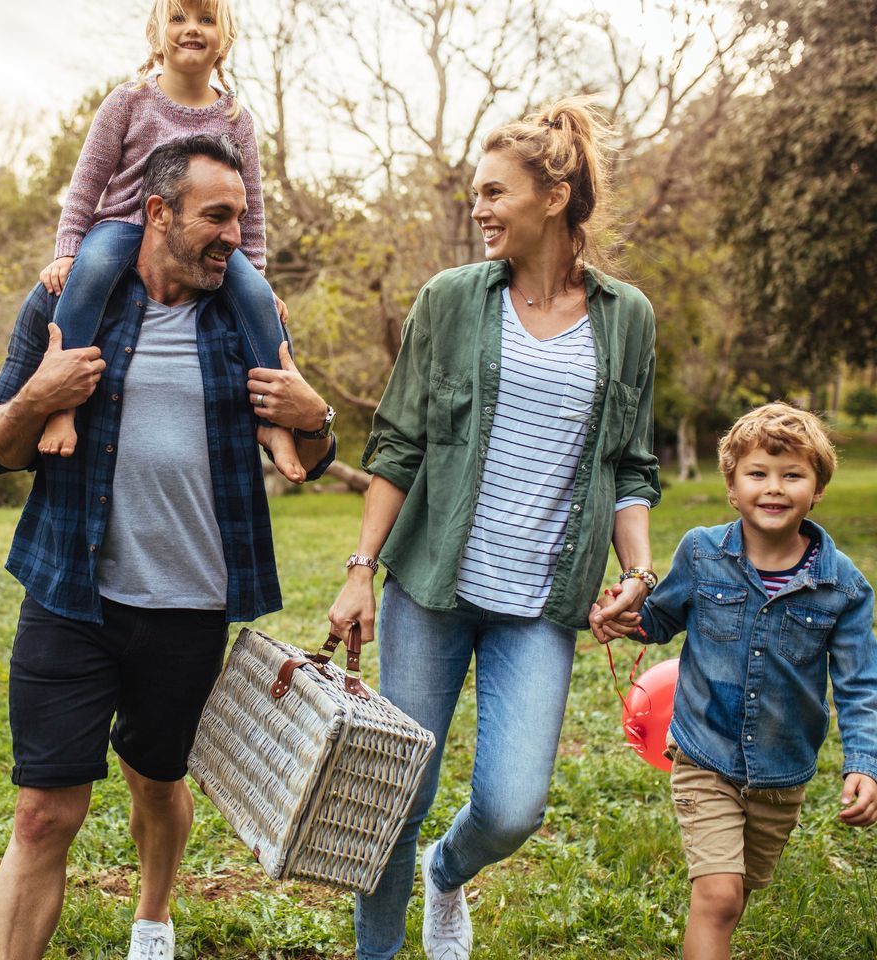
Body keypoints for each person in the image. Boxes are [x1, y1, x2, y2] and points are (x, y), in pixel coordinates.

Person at [0, 134, 336, 960]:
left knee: (157, 779)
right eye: (216, 217)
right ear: (158, 212)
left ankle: (153, 915)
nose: (233, 237)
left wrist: (315, 420)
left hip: (188, 607)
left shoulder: (246, 319)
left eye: (241, 219)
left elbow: (308, 460)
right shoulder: (72, 305)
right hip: (71, 595)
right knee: (42, 813)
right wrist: (42, 395)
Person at [327, 97, 662, 960]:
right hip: (433, 588)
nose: (478, 208)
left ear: (554, 196)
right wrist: (362, 569)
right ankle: (379, 953)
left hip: (541, 605)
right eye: (475, 193)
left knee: (514, 806)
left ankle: (448, 872)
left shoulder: (627, 320)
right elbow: (398, 442)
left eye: (494, 192)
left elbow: (630, 463)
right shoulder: (449, 300)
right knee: (394, 792)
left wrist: (638, 569)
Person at [590, 403, 877, 960]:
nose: (774, 488)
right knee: (720, 895)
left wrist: (866, 764)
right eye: (757, 474)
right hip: (705, 752)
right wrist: (625, 616)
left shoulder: (842, 586)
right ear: (732, 487)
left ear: (817, 488)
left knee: (740, 889)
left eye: (792, 475)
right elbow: (661, 618)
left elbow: (863, 685)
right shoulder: (703, 553)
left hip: (782, 769)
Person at [34, 0, 305, 484]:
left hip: (203, 237)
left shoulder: (236, 117)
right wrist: (68, 249)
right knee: (89, 274)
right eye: (179, 19)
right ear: (158, 33)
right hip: (123, 225)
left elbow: (253, 206)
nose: (192, 30)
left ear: (225, 36)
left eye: (205, 20)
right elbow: (87, 182)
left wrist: (257, 274)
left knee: (262, 304)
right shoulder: (129, 100)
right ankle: (61, 406)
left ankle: (275, 421)